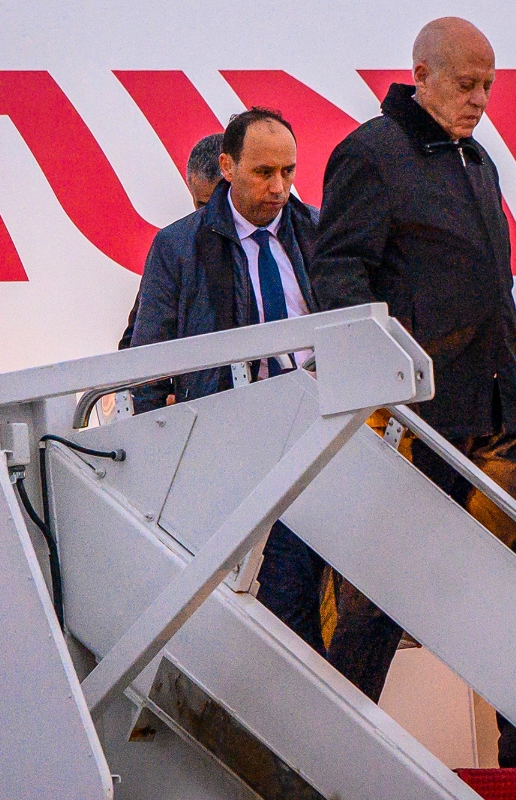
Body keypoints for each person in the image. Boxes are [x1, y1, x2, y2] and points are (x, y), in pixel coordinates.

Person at [309, 17, 516, 768]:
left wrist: (513, 397)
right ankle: (332, 755)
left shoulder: (477, 161)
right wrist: (385, 392)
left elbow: (494, 292)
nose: (480, 98)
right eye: (466, 83)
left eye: (489, 85)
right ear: (423, 73)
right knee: (375, 601)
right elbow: (339, 279)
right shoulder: (369, 154)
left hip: (494, 416)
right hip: (417, 422)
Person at [129, 109, 328, 657]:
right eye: (264, 172)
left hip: (327, 433)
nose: (279, 188)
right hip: (243, 447)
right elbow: (147, 360)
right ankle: (308, 725)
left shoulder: (316, 231)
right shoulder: (179, 247)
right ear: (227, 167)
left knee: (361, 604)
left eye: (288, 171)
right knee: (289, 598)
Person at [118, 132, 224, 352]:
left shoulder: (291, 232)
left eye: (221, 204)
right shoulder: (174, 248)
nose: (212, 216)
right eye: (203, 206)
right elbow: (138, 339)